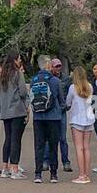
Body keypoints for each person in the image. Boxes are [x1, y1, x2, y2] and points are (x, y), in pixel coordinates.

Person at [29, 54, 63, 184]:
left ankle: (38, 174)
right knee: (53, 145)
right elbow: (61, 100)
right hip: (53, 117)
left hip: (38, 117)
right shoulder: (55, 81)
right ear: (48, 65)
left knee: (39, 145)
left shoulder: (34, 80)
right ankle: (53, 174)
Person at [0, 53, 29, 179]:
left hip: (5, 111)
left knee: (8, 138)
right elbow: (23, 91)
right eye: (19, 59)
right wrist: (26, 105)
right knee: (16, 139)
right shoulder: (17, 73)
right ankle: (14, 168)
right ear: (15, 60)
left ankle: (5, 167)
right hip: (17, 110)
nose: (20, 61)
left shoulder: (3, 75)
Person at [66, 66, 97, 184]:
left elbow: (68, 102)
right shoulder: (90, 87)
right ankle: (87, 174)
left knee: (79, 148)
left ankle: (81, 175)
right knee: (86, 147)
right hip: (89, 119)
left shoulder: (72, 88)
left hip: (77, 119)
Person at [50, 57, 74, 173]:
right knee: (48, 138)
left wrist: (66, 106)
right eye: (56, 66)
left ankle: (66, 162)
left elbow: (70, 93)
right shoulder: (48, 77)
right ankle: (46, 161)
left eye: (60, 66)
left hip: (61, 111)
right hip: (50, 111)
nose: (58, 68)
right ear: (52, 67)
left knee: (63, 138)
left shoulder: (66, 79)